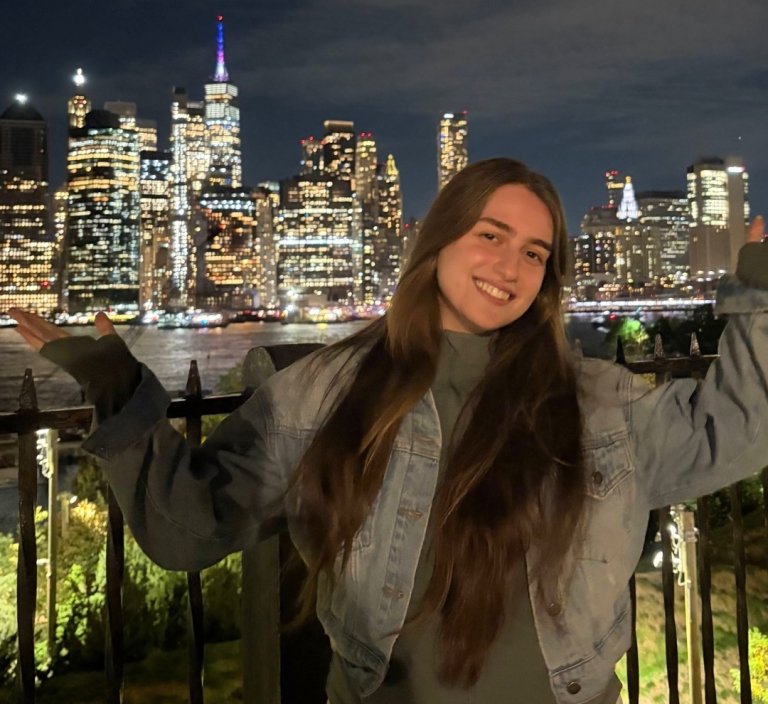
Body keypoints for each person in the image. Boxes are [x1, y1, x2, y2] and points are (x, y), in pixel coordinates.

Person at [11, 157, 768, 704]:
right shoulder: (322, 396)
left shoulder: (600, 405)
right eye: (490, 235)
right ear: (436, 243)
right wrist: (118, 389)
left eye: (535, 252)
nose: (510, 265)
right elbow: (188, 530)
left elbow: (734, 428)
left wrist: (759, 295)